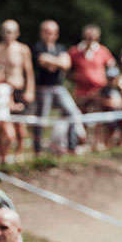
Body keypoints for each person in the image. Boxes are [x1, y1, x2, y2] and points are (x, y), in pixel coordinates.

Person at [32, 19, 87, 154]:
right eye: (46, 32)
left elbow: (66, 65)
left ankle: (71, 146)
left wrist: (51, 61)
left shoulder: (61, 48)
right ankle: (38, 150)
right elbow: (44, 62)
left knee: (72, 113)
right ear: (41, 33)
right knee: (41, 119)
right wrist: (58, 62)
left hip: (58, 87)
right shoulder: (37, 47)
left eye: (52, 33)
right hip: (42, 88)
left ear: (56, 34)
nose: (49, 35)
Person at [0, 20, 35, 151]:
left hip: (18, 89)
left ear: (17, 33)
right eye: (5, 31)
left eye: (11, 32)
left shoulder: (22, 49)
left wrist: (30, 91)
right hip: (1, 92)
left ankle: (19, 153)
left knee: (20, 125)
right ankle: (2, 153)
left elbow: (29, 72)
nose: (8, 35)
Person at [68, 24, 116, 111]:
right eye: (88, 36)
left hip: (99, 92)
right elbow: (67, 70)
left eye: (93, 36)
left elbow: (112, 68)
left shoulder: (103, 51)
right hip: (81, 92)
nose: (90, 38)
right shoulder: (74, 51)